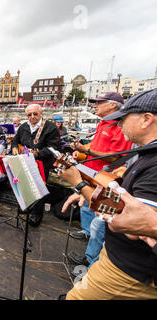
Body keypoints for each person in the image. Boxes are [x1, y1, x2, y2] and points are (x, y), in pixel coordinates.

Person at [60, 88, 157, 300]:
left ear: (146, 119)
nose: (120, 124)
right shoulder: (146, 154)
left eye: (123, 119)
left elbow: (128, 219)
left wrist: (79, 185)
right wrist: (91, 191)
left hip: (131, 271)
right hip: (120, 257)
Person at [67, 92, 133, 269]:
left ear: (113, 105)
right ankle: (86, 233)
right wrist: (81, 151)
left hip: (107, 179)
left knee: (99, 221)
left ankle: (90, 258)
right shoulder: (103, 123)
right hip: (93, 173)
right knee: (88, 207)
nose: (94, 105)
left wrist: (86, 152)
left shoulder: (119, 127)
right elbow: (97, 147)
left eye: (99, 102)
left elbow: (116, 157)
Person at [11, 104, 61, 226]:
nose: (32, 117)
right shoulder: (23, 127)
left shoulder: (50, 127)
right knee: (25, 186)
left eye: (35, 114)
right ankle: (27, 208)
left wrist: (38, 153)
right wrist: (14, 148)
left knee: (38, 189)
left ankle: (37, 215)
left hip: (41, 163)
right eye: (29, 114)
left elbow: (54, 148)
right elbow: (15, 141)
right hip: (25, 161)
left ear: (41, 113)